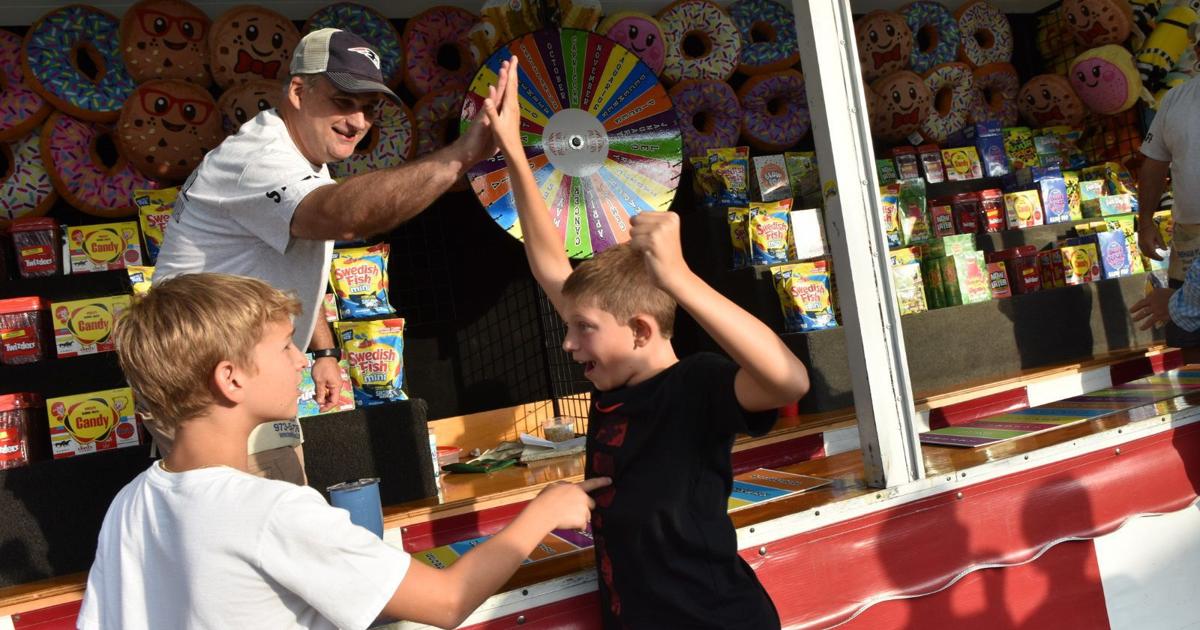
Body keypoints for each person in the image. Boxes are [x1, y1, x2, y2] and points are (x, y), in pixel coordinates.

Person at [78, 272, 609, 630]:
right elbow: (447, 602)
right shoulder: (272, 512)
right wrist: (545, 511)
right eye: (286, 345)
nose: (302, 359)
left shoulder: (129, 502)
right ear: (231, 378)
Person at [480, 58, 811, 628]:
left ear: (640, 330)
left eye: (581, 328)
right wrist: (513, 150)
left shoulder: (695, 385)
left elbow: (789, 380)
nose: (567, 343)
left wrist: (679, 279)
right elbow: (548, 261)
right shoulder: (615, 365)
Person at [151, 28, 511, 482]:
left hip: (235, 380)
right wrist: (460, 155)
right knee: (266, 527)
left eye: (368, 108)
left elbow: (292, 261)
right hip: (211, 389)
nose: (358, 121)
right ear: (299, 92)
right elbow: (343, 217)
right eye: (343, 101)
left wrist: (323, 350)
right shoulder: (259, 156)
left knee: (275, 516)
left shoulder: (302, 158)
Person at [1136, 26, 1200, 288]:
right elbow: (1154, 164)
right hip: (1189, 236)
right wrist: (1146, 222)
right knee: (1182, 320)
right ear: (1198, 51)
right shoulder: (1176, 99)